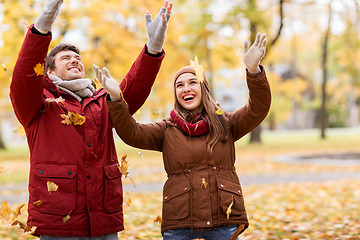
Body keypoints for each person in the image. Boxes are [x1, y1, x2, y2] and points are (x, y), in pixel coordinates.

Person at [10, 0, 172, 239]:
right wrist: (43, 24)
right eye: (65, 58)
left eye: (77, 57)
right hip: (58, 221)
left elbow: (134, 88)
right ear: (50, 72)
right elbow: (24, 77)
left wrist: (153, 47)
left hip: (102, 218)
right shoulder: (37, 103)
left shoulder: (102, 101)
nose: (75, 60)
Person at [96, 32, 271, 239]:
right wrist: (116, 99)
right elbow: (131, 132)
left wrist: (253, 71)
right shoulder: (166, 129)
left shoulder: (226, 123)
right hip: (180, 220)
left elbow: (258, 108)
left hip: (223, 218)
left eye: (192, 82)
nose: (186, 89)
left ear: (204, 88)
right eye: (180, 85)